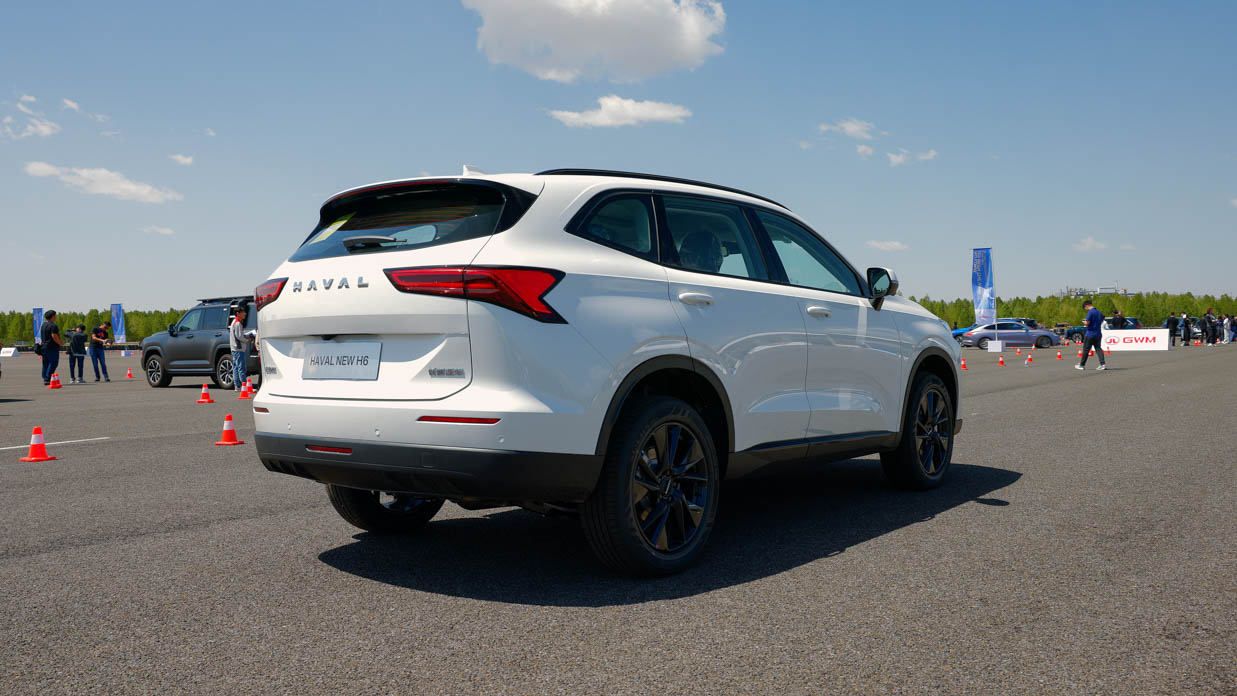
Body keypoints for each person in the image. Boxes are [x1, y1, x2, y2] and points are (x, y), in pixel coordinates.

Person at [229, 303, 255, 390]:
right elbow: (239, 337)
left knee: (236, 367)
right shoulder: (237, 323)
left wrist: (245, 336)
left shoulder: (234, 322)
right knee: (241, 368)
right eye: (243, 312)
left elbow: (239, 335)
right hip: (239, 349)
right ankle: (244, 386)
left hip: (235, 348)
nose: (245, 313)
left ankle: (238, 386)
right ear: (238, 313)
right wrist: (248, 339)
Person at [1076, 301, 1107, 371]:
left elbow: (1087, 323)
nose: (1086, 310)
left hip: (1090, 333)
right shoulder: (1099, 312)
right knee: (1098, 349)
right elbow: (1102, 320)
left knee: (1086, 350)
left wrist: (1084, 322)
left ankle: (1082, 365)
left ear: (1086, 306)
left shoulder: (1090, 312)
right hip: (1098, 333)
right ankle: (1102, 364)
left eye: (1085, 308)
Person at [39, 310, 63, 385]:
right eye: (55, 315)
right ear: (52, 316)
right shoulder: (53, 325)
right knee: (53, 362)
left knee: (45, 363)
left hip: (43, 346)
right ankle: (48, 378)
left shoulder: (43, 325)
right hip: (51, 347)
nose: (55, 317)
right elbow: (54, 336)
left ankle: (45, 378)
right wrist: (60, 343)